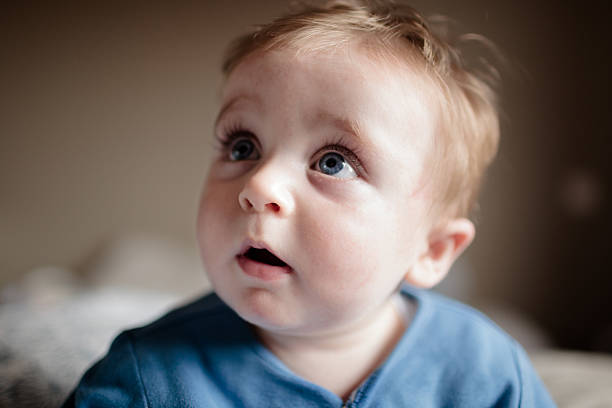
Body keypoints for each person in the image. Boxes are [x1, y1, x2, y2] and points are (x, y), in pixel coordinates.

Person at [62, 1, 555, 406]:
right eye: (243, 147)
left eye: (334, 161)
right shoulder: (146, 379)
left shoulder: (487, 373)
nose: (259, 185)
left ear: (432, 250)